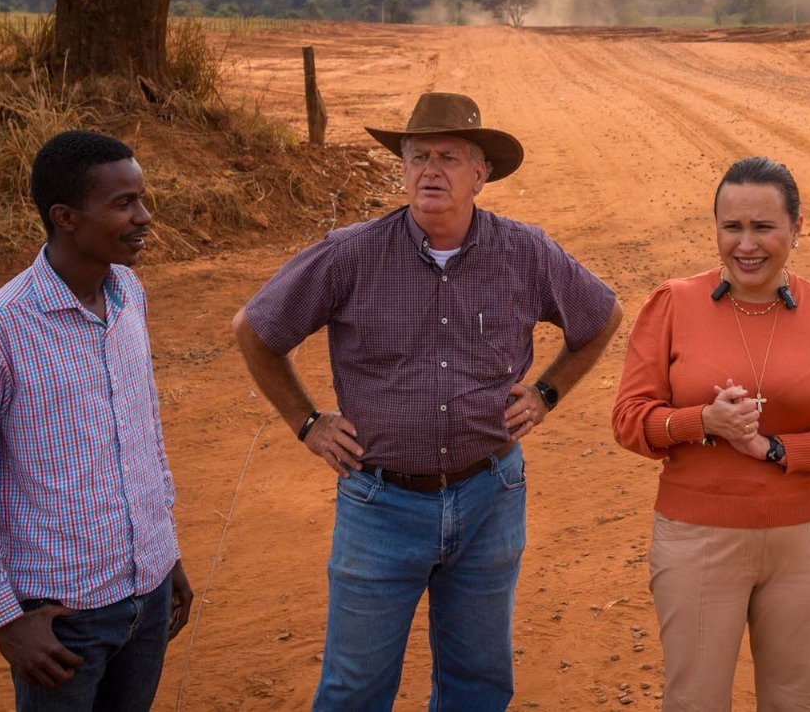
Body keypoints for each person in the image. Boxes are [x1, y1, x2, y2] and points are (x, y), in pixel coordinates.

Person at [232, 90, 623, 712]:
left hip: (489, 493)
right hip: (379, 503)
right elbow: (256, 329)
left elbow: (601, 315)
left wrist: (548, 391)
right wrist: (306, 422)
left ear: (480, 173)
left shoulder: (524, 251)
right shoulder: (351, 253)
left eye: (448, 157)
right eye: (417, 157)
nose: (430, 171)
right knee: (354, 690)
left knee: (478, 683)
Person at [0, 130, 192, 711]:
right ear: (66, 217)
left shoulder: (129, 294)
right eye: (124, 203)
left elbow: (142, 437)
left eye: (142, 199)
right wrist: (6, 622)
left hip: (147, 596)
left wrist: (164, 552)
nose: (144, 216)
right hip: (62, 621)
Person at [613, 156, 810, 712]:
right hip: (696, 538)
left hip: (804, 540)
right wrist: (701, 422)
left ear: (796, 229)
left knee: (796, 699)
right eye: (732, 227)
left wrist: (776, 448)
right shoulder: (672, 304)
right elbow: (630, 420)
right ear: (716, 229)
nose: (746, 244)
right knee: (695, 701)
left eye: (764, 227)